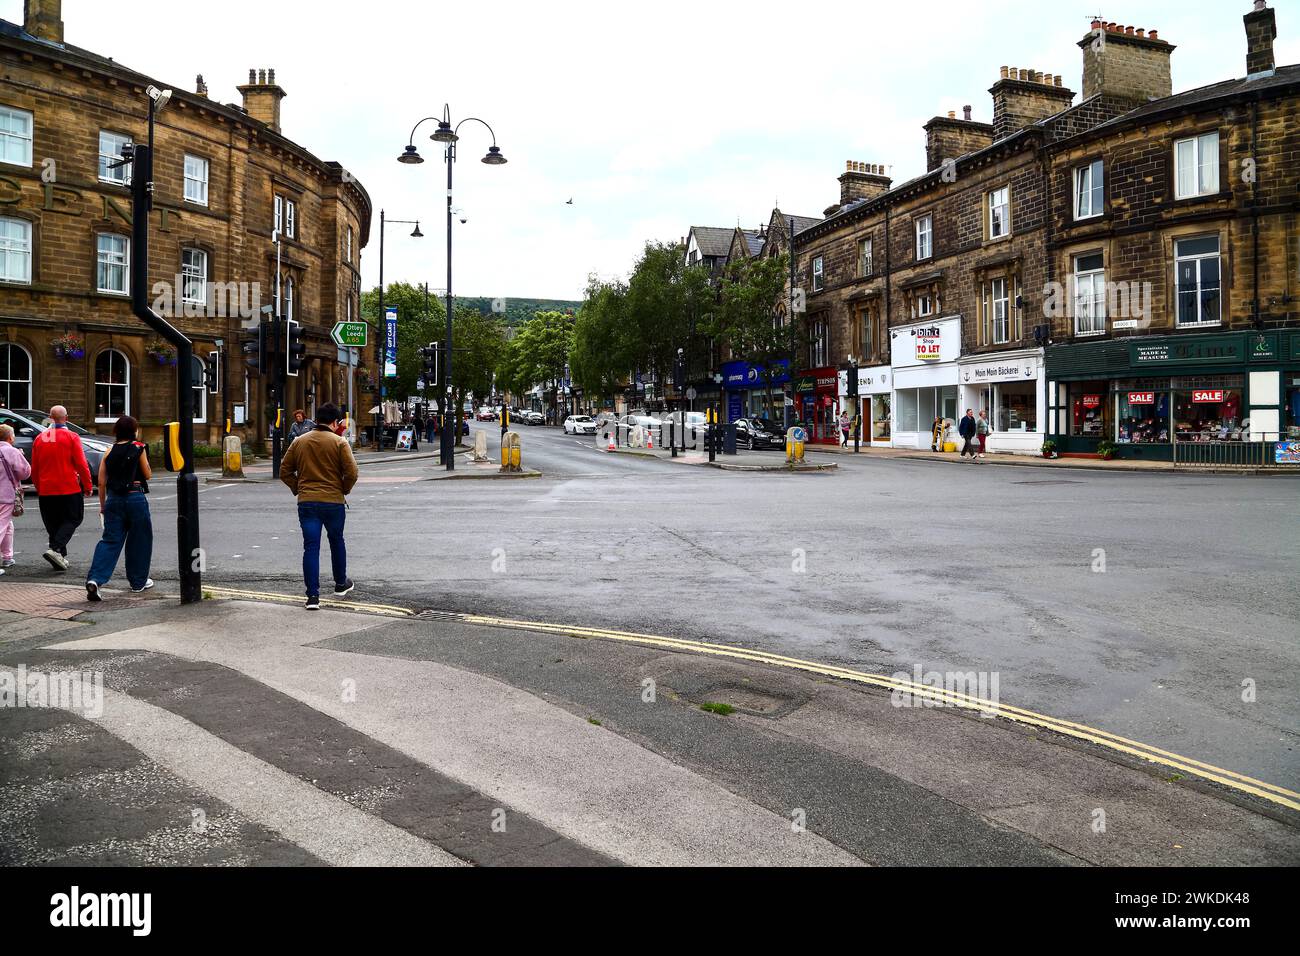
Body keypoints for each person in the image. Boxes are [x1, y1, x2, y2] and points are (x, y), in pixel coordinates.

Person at [279, 402, 358, 610]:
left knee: (311, 547)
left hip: (307, 502)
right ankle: (340, 584)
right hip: (333, 502)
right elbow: (352, 473)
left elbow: (284, 471)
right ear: (334, 422)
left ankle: (312, 596)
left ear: (317, 419)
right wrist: (344, 489)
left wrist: (298, 488)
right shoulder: (340, 442)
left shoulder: (299, 442)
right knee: (336, 541)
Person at [85, 416, 154, 600]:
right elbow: (147, 474)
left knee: (109, 541)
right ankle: (138, 582)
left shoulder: (108, 451)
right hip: (135, 497)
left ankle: (95, 579)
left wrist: (102, 506)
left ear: (116, 431)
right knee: (139, 540)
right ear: (134, 431)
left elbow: (101, 482)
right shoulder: (139, 447)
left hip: (113, 500)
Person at [30, 404, 94, 571]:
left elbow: (34, 468)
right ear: (66, 418)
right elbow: (81, 464)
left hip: (46, 488)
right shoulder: (72, 436)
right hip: (68, 487)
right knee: (73, 518)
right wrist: (88, 485)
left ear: (50, 418)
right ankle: (56, 549)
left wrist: (39, 486)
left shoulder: (40, 438)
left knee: (53, 524)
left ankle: (59, 557)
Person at [0, 423, 32, 575]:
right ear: (10, 437)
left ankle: (7, 556)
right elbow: (25, 473)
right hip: (5, 495)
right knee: (1, 526)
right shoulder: (12, 452)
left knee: (7, 525)